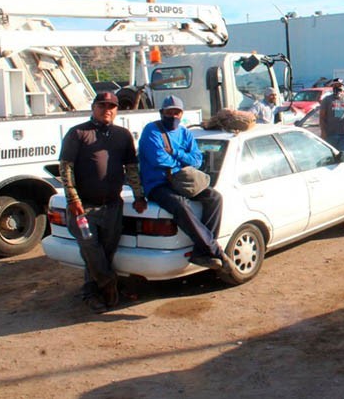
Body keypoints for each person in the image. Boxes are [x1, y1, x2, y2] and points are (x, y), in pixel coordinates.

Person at [59, 91, 147, 313]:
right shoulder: (77, 133)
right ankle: (108, 286)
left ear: (117, 110)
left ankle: (93, 293)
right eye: (102, 105)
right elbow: (66, 167)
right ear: (93, 107)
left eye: (112, 106)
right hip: (84, 208)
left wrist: (138, 195)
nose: (107, 109)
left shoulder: (123, 135)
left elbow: (132, 169)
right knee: (91, 250)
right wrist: (73, 198)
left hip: (112, 206)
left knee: (105, 253)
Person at [139, 95, 228, 271]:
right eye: (169, 112)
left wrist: (175, 152)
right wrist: (181, 161)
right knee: (180, 205)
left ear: (181, 114)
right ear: (161, 113)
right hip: (158, 184)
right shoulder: (152, 130)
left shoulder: (185, 133)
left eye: (177, 112)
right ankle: (214, 249)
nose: (173, 116)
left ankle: (201, 250)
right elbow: (158, 159)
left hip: (183, 181)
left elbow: (197, 160)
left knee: (214, 198)